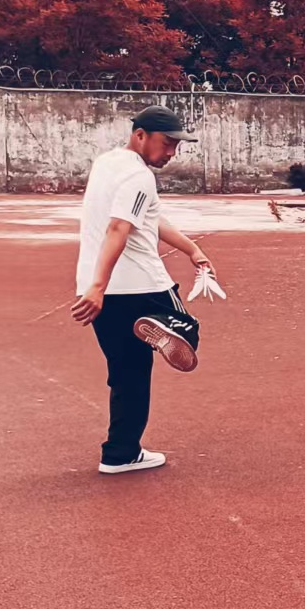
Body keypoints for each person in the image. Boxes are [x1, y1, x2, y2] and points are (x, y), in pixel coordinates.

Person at [70, 106, 212, 475]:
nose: (172, 152)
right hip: (141, 285)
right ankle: (163, 323)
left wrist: (191, 248)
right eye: (167, 143)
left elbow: (147, 217)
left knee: (126, 372)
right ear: (140, 135)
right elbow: (119, 227)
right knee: (188, 330)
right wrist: (99, 287)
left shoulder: (106, 164)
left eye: (177, 146)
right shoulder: (139, 176)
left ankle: (120, 454)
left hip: (98, 289)